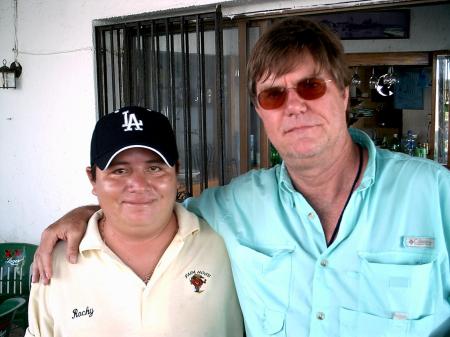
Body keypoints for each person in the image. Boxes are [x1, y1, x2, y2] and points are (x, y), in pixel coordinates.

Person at [33, 17, 450, 337]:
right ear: (260, 111)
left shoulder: (435, 194)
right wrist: (86, 213)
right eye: (274, 94)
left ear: (343, 94)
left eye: (310, 87)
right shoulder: (233, 208)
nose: (294, 106)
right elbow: (148, 209)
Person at [26, 106, 243, 337]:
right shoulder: (54, 264)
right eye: (119, 171)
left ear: (176, 172)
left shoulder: (227, 246)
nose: (139, 185)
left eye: (154, 168)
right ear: (93, 178)